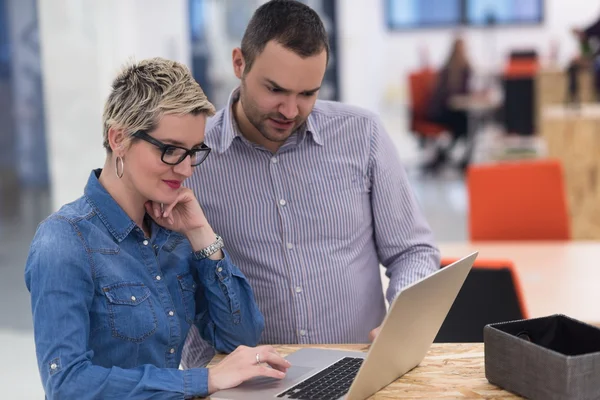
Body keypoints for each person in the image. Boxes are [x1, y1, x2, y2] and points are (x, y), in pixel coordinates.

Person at [182, 0, 440, 368]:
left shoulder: (362, 135)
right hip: (248, 380)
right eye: (275, 90)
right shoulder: (192, 157)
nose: (290, 110)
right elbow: (174, 287)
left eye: (307, 94)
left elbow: (413, 251)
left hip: (359, 369)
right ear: (239, 63)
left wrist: (402, 321)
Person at [24, 58, 290, 399]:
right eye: (170, 151)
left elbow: (239, 338)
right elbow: (67, 385)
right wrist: (202, 381)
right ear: (119, 138)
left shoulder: (173, 234)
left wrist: (200, 232)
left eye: (193, 152)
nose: (185, 170)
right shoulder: (63, 241)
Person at [425, 36, 472, 172]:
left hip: (452, 111)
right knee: (466, 126)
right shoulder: (450, 70)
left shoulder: (462, 68)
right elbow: (452, 96)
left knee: (466, 124)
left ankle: (444, 156)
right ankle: (452, 158)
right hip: (442, 112)